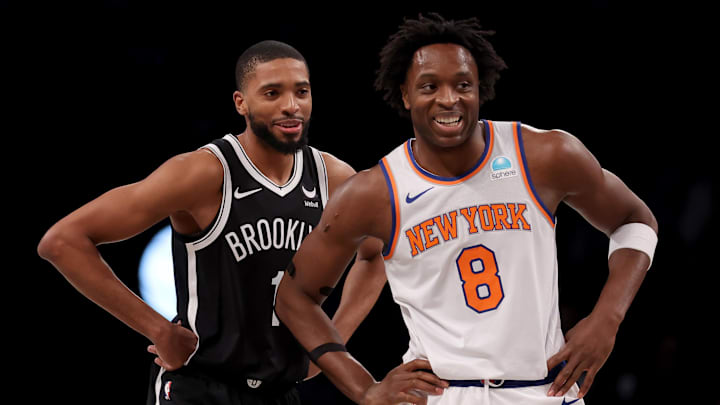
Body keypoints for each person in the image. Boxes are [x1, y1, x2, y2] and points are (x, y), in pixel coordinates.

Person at [274, 13, 658, 405]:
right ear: (405, 94)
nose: (448, 99)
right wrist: (363, 388)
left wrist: (607, 319)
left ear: (480, 88)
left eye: (462, 85)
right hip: (441, 395)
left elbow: (635, 221)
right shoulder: (374, 192)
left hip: (544, 390)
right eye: (429, 86)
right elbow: (293, 296)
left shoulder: (543, 155)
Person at [37, 40, 385, 405]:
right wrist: (157, 329)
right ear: (241, 103)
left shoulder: (333, 177)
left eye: (302, 91)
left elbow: (375, 255)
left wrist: (333, 344)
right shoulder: (205, 173)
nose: (290, 105)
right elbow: (63, 241)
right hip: (199, 387)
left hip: (280, 391)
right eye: (272, 93)